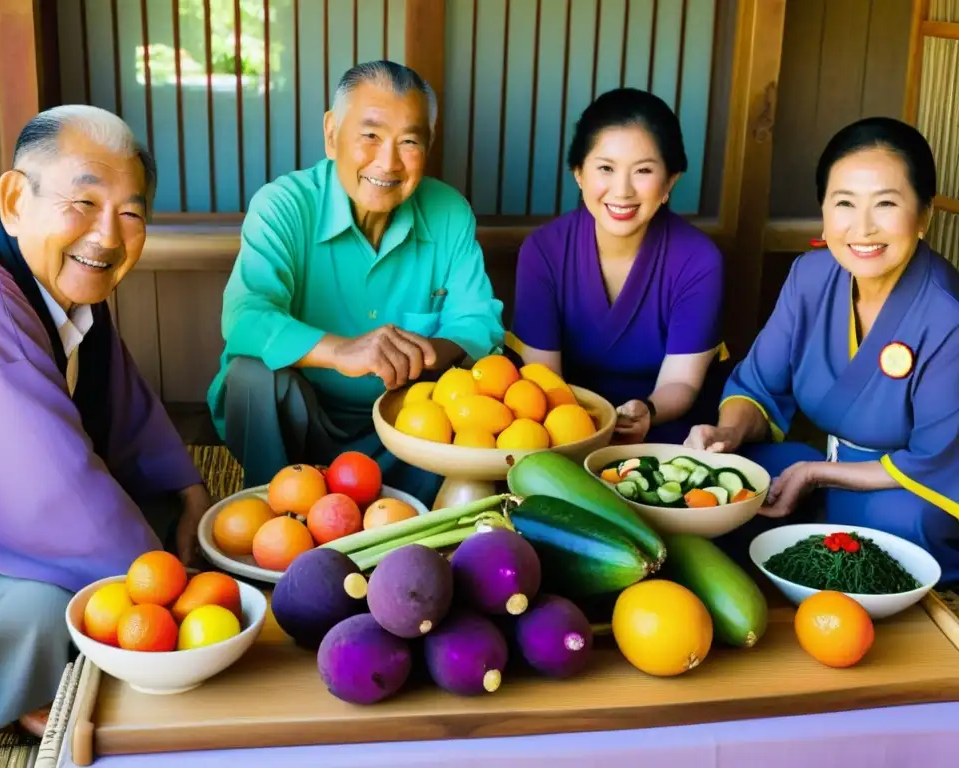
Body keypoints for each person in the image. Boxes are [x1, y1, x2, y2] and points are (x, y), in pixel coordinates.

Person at [0, 106, 210, 744]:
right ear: (14, 199)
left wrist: (190, 490)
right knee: (47, 605)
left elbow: (126, 408)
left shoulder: (52, 283)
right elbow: (51, 489)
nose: (107, 237)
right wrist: (173, 600)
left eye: (131, 213)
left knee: (167, 514)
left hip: (12, 510)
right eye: (83, 201)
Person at [207, 60, 505, 505]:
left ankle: (417, 527)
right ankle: (274, 515)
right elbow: (246, 315)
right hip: (300, 415)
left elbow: (478, 320)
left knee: (472, 377)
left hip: (405, 422)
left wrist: (421, 354)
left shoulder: (449, 212)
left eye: (409, 141)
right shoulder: (284, 205)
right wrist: (342, 351)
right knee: (251, 375)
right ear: (332, 134)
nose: (388, 162)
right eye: (370, 135)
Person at [685, 116, 959, 582]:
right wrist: (728, 434)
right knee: (720, 484)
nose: (863, 227)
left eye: (887, 204)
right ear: (824, 211)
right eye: (845, 203)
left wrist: (816, 474)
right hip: (822, 467)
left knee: (908, 521)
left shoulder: (947, 313)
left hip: (908, 487)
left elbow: (936, 459)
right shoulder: (809, 278)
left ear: (924, 216)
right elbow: (757, 386)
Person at [505, 88, 726, 445]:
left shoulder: (699, 260)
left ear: (670, 180)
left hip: (666, 429)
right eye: (605, 168)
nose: (622, 190)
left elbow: (681, 382)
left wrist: (648, 412)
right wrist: (588, 427)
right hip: (565, 425)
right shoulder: (543, 251)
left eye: (643, 171)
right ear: (578, 173)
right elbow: (543, 376)